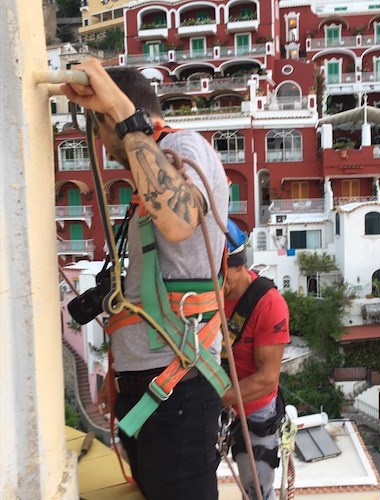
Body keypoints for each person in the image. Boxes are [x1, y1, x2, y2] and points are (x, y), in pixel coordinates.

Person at [62, 59, 228, 500]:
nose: (100, 140)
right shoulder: (149, 172)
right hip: (153, 389)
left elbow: (178, 222)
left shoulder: (186, 147)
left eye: (100, 126)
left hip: (179, 388)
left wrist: (121, 113)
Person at [221, 220, 290, 500]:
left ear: (240, 266)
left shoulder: (268, 304)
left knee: (257, 490)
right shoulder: (205, 296)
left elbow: (266, 379)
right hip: (216, 395)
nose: (217, 283)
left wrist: (214, 400)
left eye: (223, 274)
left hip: (254, 405)